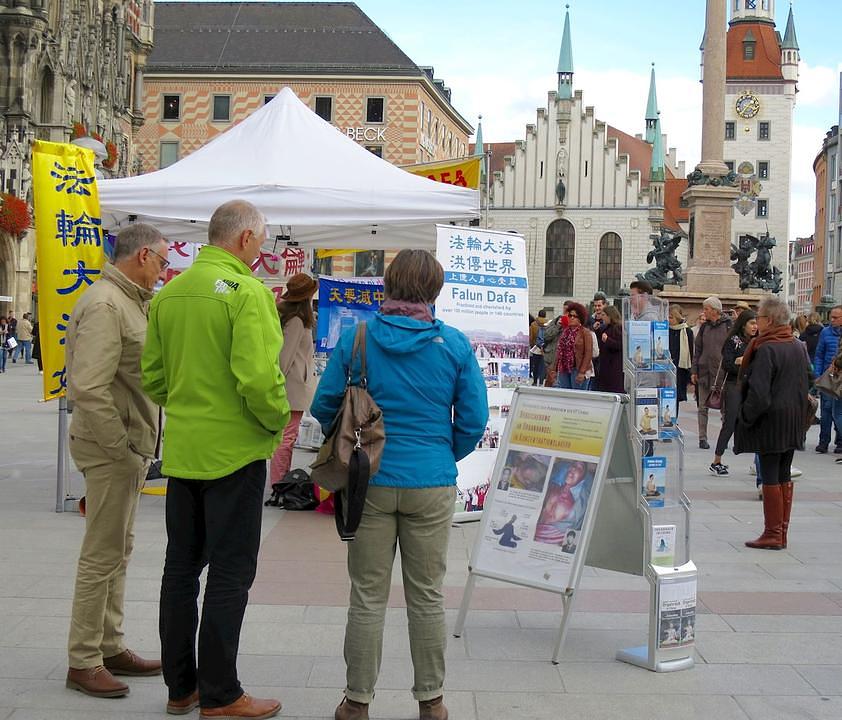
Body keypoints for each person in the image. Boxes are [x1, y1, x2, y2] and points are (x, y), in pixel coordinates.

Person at [310, 249, 487, 720]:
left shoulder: (358, 339)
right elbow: (474, 419)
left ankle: (356, 702)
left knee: (367, 593)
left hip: (369, 479)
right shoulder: (453, 344)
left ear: (388, 284)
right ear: (435, 290)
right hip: (431, 480)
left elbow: (324, 405)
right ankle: (432, 702)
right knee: (427, 593)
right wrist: (444, 452)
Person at [143, 201, 290, 719]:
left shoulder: (170, 291)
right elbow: (259, 378)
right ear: (247, 239)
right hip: (235, 452)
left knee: (179, 568)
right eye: (264, 238)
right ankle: (222, 693)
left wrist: (187, 402)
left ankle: (180, 686)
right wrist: (273, 422)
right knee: (230, 572)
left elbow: (154, 377)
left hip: (183, 452)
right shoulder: (248, 294)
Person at [64, 224, 169, 698]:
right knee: (102, 554)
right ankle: (84, 657)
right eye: (163, 260)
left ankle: (109, 644)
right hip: (112, 449)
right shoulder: (108, 304)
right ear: (143, 255)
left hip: (126, 446)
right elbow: (87, 386)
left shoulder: (128, 300)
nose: (165, 270)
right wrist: (120, 447)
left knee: (117, 551)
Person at [735, 297, 810, 550]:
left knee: (768, 474)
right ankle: (781, 533)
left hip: (770, 420)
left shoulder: (766, 348)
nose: (756, 323)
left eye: (759, 318)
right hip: (792, 419)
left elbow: (759, 393)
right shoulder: (798, 345)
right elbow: (806, 379)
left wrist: (746, 416)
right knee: (783, 473)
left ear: (769, 320)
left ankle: (772, 532)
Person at [269, 272, 319, 489]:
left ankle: (280, 481)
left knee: (286, 437)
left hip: (292, 386)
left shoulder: (291, 317)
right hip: (292, 388)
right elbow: (285, 358)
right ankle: (279, 483)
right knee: (286, 438)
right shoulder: (297, 321)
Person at [710, 310, 757, 476]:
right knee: (730, 423)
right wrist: (742, 363)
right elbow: (728, 365)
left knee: (755, 422)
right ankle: (717, 460)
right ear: (743, 324)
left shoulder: (757, 341)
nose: (755, 326)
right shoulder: (733, 341)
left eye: (756, 323)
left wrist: (743, 361)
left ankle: (757, 463)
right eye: (752, 323)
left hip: (752, 386)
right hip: (734, 385)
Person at [691, 296, 731, 450]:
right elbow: (698, 350)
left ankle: (724, 438)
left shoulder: (728, 326)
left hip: (722, 373)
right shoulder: (704, 327)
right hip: (704, 371)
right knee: (702, 407)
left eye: (706, 309)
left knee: (724, 408)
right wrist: (694, 370)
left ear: (715, 311)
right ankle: (702, 438)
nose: (704, 312)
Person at [813, 305, 842, 454]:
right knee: (826, 410)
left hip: (840, 378)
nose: (832, 320)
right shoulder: (825, 332)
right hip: (828, 377)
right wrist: (818, 373)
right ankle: (823, 441)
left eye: (836, 318)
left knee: (838, 411)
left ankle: (840, 441)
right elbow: (819, 354)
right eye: (831, 317)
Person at [553, 302, 592, 390]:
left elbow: (588, 354)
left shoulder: (585, 332)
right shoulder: (565, 332)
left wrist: (582, 372)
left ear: (580, 318)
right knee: (565, 396)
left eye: (575, 316)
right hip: (564, 368)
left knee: (577, 398)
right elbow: (559, 352)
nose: (571, 318)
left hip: (577, 369)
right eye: (570, 315)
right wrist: (554, 369)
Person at [668, 305, 694, 419]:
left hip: (680, 368)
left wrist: (690, 371)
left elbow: (690, 351)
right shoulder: (665, 330)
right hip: (667, 367)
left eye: (671, 317)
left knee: (676, 396)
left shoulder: (687, 331)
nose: (669, 320)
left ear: (677, 318)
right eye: (668, 317)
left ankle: (674, 419)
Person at [595, 305, 623, 393]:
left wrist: (608, 340)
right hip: (605, 365)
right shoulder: (606, 327)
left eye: (603, 315)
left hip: (614, 366)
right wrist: (597, 330)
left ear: (609, 316)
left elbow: (620, 345)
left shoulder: (618, 328)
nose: (602, 317)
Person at [528, 309, 549, 386]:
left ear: (538, 314)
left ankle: (534, 381)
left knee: (535, 365)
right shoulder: (548, 324)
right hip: (545, 348)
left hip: (536, 348)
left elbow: (531, 337)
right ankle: (541, 382)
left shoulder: (533, 324)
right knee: (542, 366)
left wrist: (533, 345)